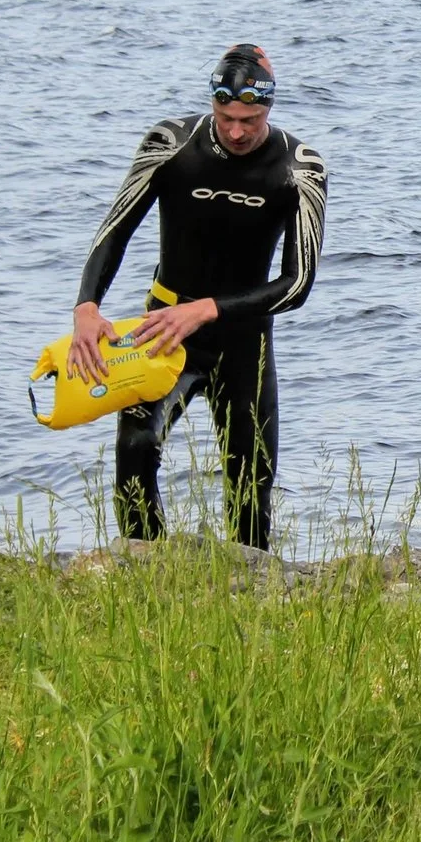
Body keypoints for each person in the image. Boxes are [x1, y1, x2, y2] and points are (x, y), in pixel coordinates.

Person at [70, 44, 327, 550]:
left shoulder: (300, 168)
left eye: (250, 119)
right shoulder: (169, 144)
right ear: (213, 106)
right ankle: (145, 572)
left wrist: (208, 308)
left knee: (251, 478)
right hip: (163, 330)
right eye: (226, 116)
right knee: (135, 446)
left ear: (269, 109)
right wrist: (87, 306)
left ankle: (252, 587)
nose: (236, 131)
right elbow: (115, 230)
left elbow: (297, 285)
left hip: (243, 337)